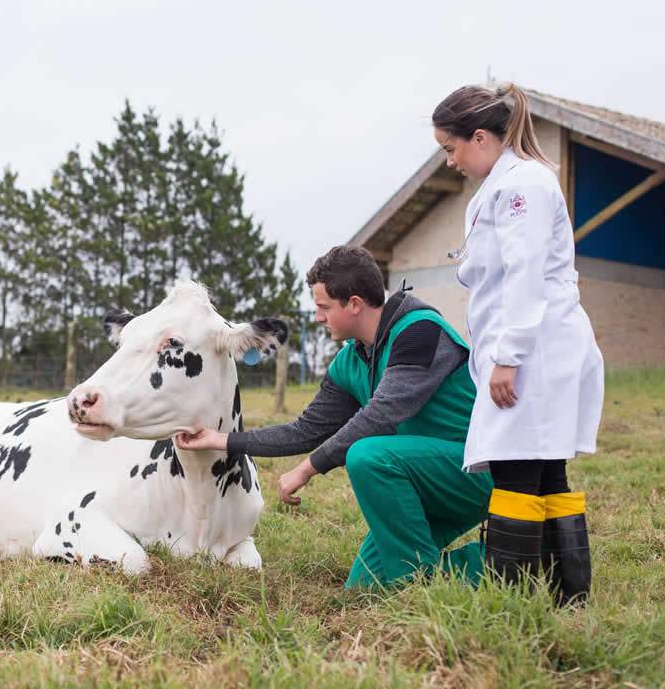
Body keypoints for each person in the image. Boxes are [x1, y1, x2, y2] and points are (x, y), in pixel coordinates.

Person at [177, 245, 493, 590]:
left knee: (368, 456)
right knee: (364, 586)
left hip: (470, 472)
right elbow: (305, 431)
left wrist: (307, 468)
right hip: (419, 479)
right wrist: (222, 440)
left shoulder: (420, 332)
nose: (317, 317)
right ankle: (491, 566)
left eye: (323, 307)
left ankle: (427, 581)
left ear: (354, 304)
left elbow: (383, 414)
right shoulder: (351, 361)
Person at [432, 83, 603, 604]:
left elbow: (525, 275)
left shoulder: (524, 184)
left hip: (535, 353)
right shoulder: (504, 187)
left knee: (517, 469)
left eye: (451, 148)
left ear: (480, 137)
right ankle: (567, 598)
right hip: (530, 349)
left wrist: (509, 358)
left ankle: (512, 601)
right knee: (546, 467)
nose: (450, 161)